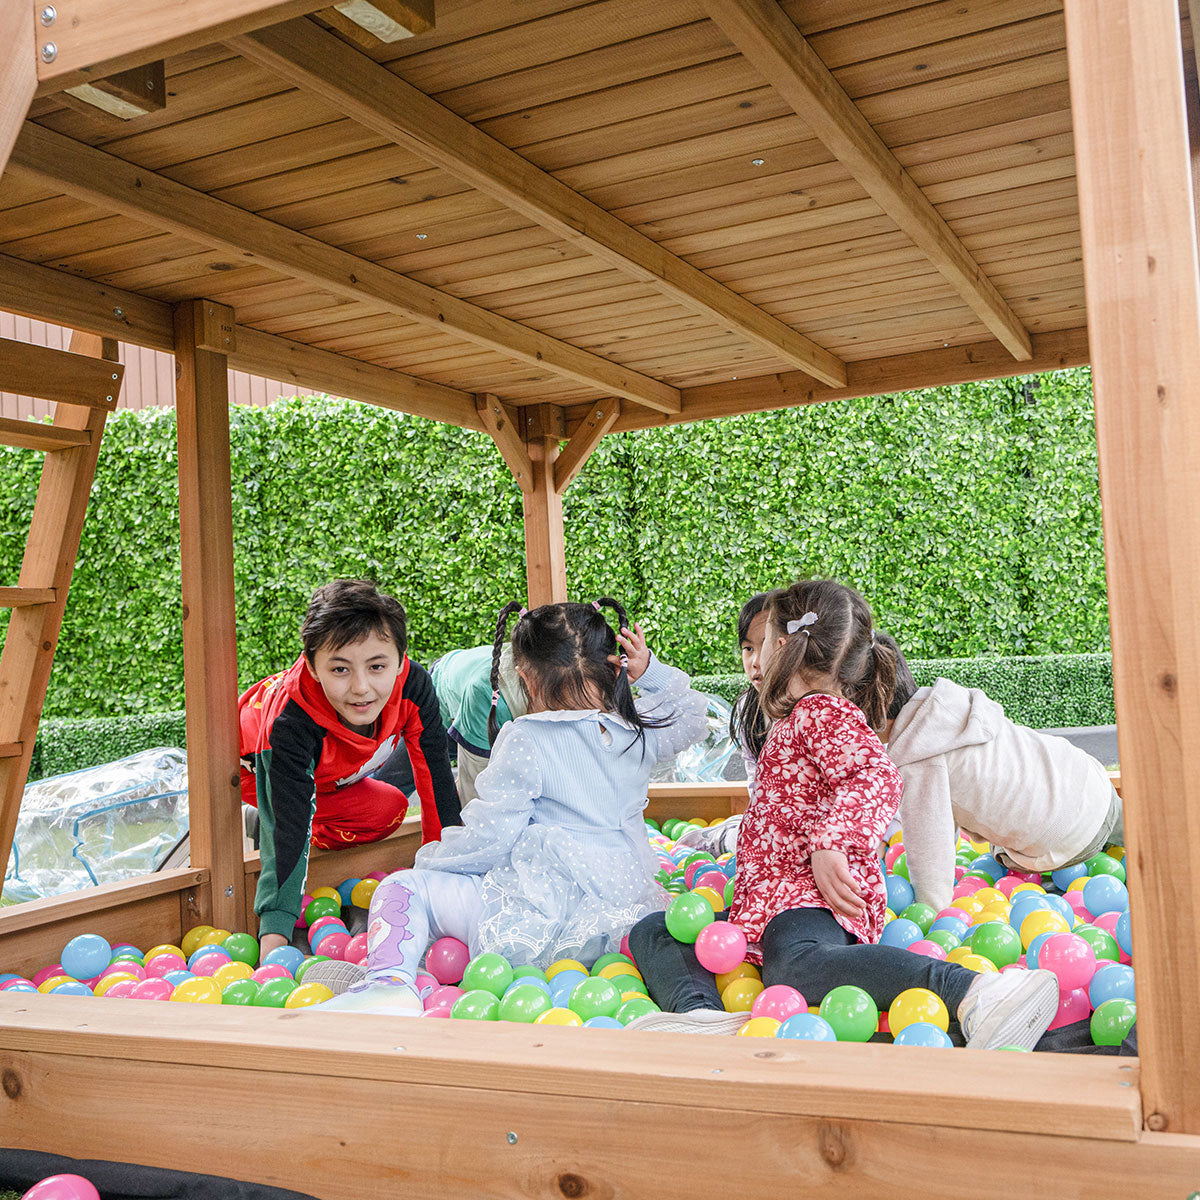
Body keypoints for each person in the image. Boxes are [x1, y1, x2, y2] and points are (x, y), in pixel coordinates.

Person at [628, 579, 1059, 1050]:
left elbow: (877, 775)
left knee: (793, 966)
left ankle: (975, 991)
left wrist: (831, 843)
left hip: (813, 898)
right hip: (771, 902)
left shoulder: (822, 714)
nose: (755, 656)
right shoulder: (798, 717)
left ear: (783, 645)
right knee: (656, 930)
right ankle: (703, 1015)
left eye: (762, 639)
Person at [314, 597, 710, 1015]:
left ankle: (388, 983)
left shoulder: (527, 736)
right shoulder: (637, 729)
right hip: (624, 914)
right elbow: (692, 715)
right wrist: (649, 671)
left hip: (537, 920)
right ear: (615, 668)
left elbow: (492, 836)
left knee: (403, 888)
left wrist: (432, 861)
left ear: (524, 678)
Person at [239, 579, 461, 957]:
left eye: (377, 666)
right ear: (312, 666)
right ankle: (266, 814)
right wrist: (274, 940)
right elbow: (287, 828)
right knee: (290, 824)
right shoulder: (290, 721)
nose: (361, 687)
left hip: (333, 776)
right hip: (260, 770)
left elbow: (435, 780)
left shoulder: (414, 685)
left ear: (400, 659)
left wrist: (448, 880)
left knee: (389, 809)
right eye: (340, 669)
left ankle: (305, 820)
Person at [880, 634, 1124, 913]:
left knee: (1000, 855)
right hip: (1092, 786)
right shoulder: (949, 704)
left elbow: (931, 850)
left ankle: (1067, 865)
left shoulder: (918, 759)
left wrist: (930, 912)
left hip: (1066, 840)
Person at [430, 642, 529, 804]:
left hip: (480, 706)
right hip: (442, 694)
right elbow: (473, 794)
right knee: (399, 778)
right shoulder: (486, 697)